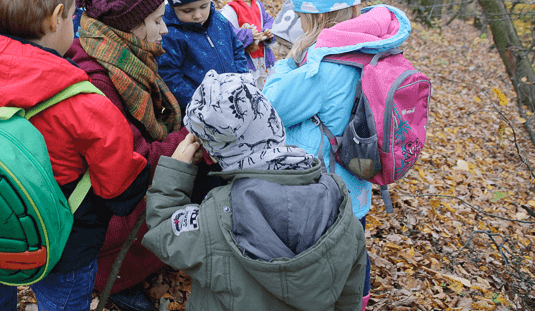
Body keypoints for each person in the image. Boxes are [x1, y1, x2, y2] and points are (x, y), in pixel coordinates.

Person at [0, 0, 150, 311]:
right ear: (58, 17)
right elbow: (119, 181)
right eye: (75, 15)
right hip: (61, 245)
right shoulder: (79, 100)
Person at [262, 0, 413, 310]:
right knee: (353, 256)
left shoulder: (326, 65)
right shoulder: (371, 47)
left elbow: (272, 103)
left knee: (320, 272)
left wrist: (288, 61)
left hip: (321, 195)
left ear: (312, 18)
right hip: (357, 187)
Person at [142, 70, 367, 311]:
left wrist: (176, 169)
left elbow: (164, 229)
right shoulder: (341, 210)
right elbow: (349, 299)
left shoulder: (216, 220)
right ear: (272, 120)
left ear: (216, 152)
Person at [65, 0, 188, 311]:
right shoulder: (99, 80)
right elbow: (136, 160)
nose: (165, 29)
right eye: (157, 21)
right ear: (131, 26)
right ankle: (118, 280)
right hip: (101, 208)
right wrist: (192, 137)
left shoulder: (116, 54)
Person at [157, 0, 247, 112]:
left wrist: (241, 80)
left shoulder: (219, 21)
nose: (197, 15)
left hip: (234, 100)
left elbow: (237, 49)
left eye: (203, 6)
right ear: (173, 7)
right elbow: (168, 74)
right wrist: (198, 103)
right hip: (200, 111)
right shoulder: (171, 34)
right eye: (187, 10)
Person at [219, 0, 276, 88]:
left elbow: (268, 20)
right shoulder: (231, 9)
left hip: (263, 59)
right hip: (247, 61)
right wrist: (249, 35)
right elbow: (227, 31)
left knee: (267, 87)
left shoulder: (258, 5)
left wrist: (268, 31)